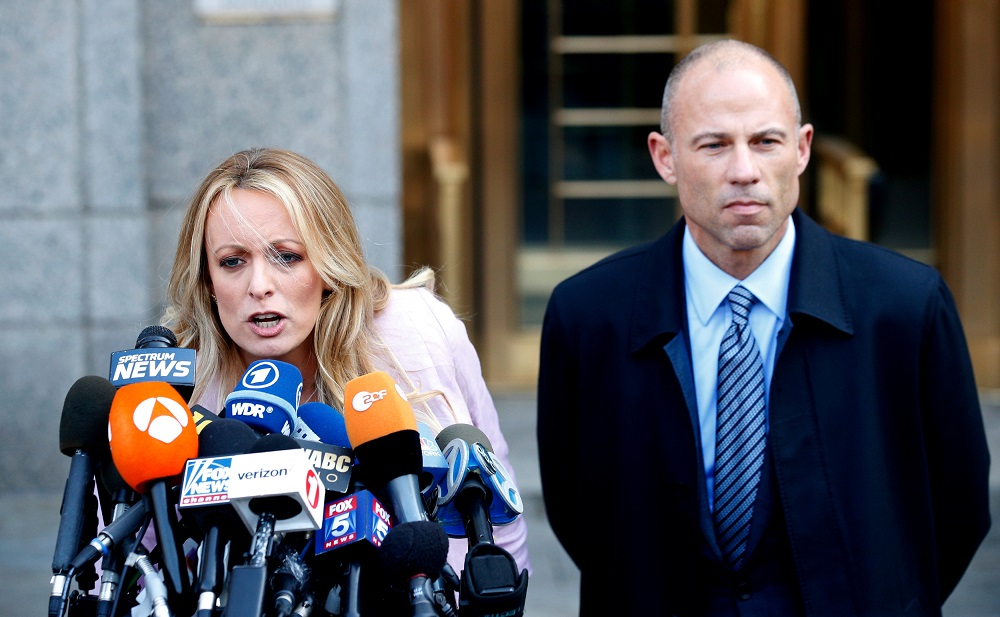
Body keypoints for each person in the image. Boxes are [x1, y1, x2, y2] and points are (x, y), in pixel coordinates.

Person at [536, 39, 990, 616]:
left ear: (801, 150)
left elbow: (961, 504)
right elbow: (581, 512)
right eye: (715, 145)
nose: (745, 171)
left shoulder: (905, 307)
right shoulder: (588, 316)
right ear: (664, 157)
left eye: (766, 141)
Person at [162, 147, 530, 578]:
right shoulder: (182, 383)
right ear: (207, 279)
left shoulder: (416, 330)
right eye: (232, 262)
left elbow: (498, 515)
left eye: (286, 256)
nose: (259, 285)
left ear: (327, 261)